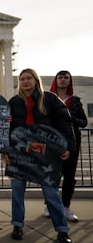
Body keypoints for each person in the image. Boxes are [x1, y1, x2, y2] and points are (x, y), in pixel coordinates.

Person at [5, 68, 76, 243]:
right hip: (21, 153)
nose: (26, 82)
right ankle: (17, 226)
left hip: (46, 154)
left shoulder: (50, 99)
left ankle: (62, 230)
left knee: (51, 193)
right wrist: (5, 151)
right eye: (22, 79)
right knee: (17, 191)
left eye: (29, 78)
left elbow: (64, 124)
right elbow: (6, 129)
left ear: (36, 80)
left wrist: (68, 146)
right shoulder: (14, 102)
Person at [43, 70, 87, 221]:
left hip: (72, 141)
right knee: (52, 173)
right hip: (53, 140)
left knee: (69, 175)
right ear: (56, 80)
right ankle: (49, 205)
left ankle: (66, 207)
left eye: (66, 77)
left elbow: (84, 122)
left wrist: (69, 117)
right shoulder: (48, 99)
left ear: (70, 81)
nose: (63, 80)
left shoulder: (75, 101)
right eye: (60, 77)